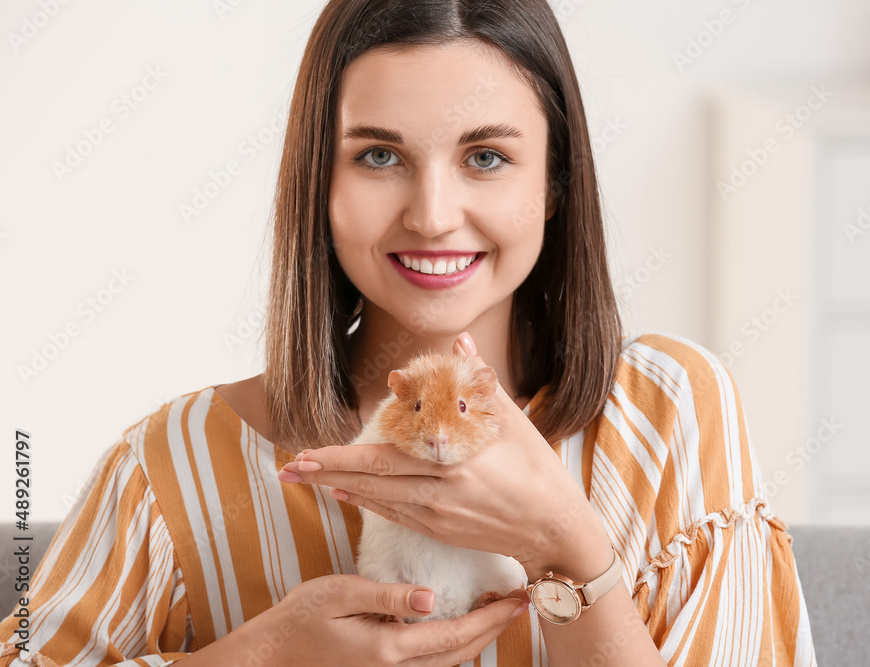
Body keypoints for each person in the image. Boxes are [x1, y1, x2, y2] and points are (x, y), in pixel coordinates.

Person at [0, 0, 818, 664]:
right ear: (317, 184)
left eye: (487, 157)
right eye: (379, 157)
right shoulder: (170, 466)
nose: (431, 217)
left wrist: (566, 543)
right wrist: (266, 657)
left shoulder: (671, 415)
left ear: (556, 183)